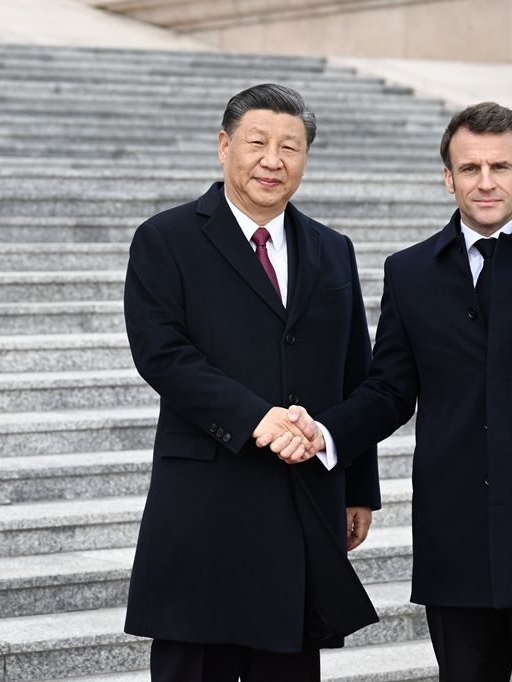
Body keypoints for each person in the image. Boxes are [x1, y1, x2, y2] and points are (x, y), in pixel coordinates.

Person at [262, 102, 512, 681]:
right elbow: (389, 391)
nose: (485, 182)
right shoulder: (409, 271)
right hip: (453, 536)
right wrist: (326, 433)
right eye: (469, 168)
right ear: (448, 177)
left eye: (500, 167)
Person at [122, 83, 380, 682]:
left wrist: (358, 488)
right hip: (206, 502)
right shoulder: (166, 239)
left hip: (302, 500)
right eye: (257, 143)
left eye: (290, 147)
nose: (273, 161)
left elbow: (355, 372)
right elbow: (163, 354)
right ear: (224, 146)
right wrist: (256, 417)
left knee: (287, 661)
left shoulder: (333, 249)